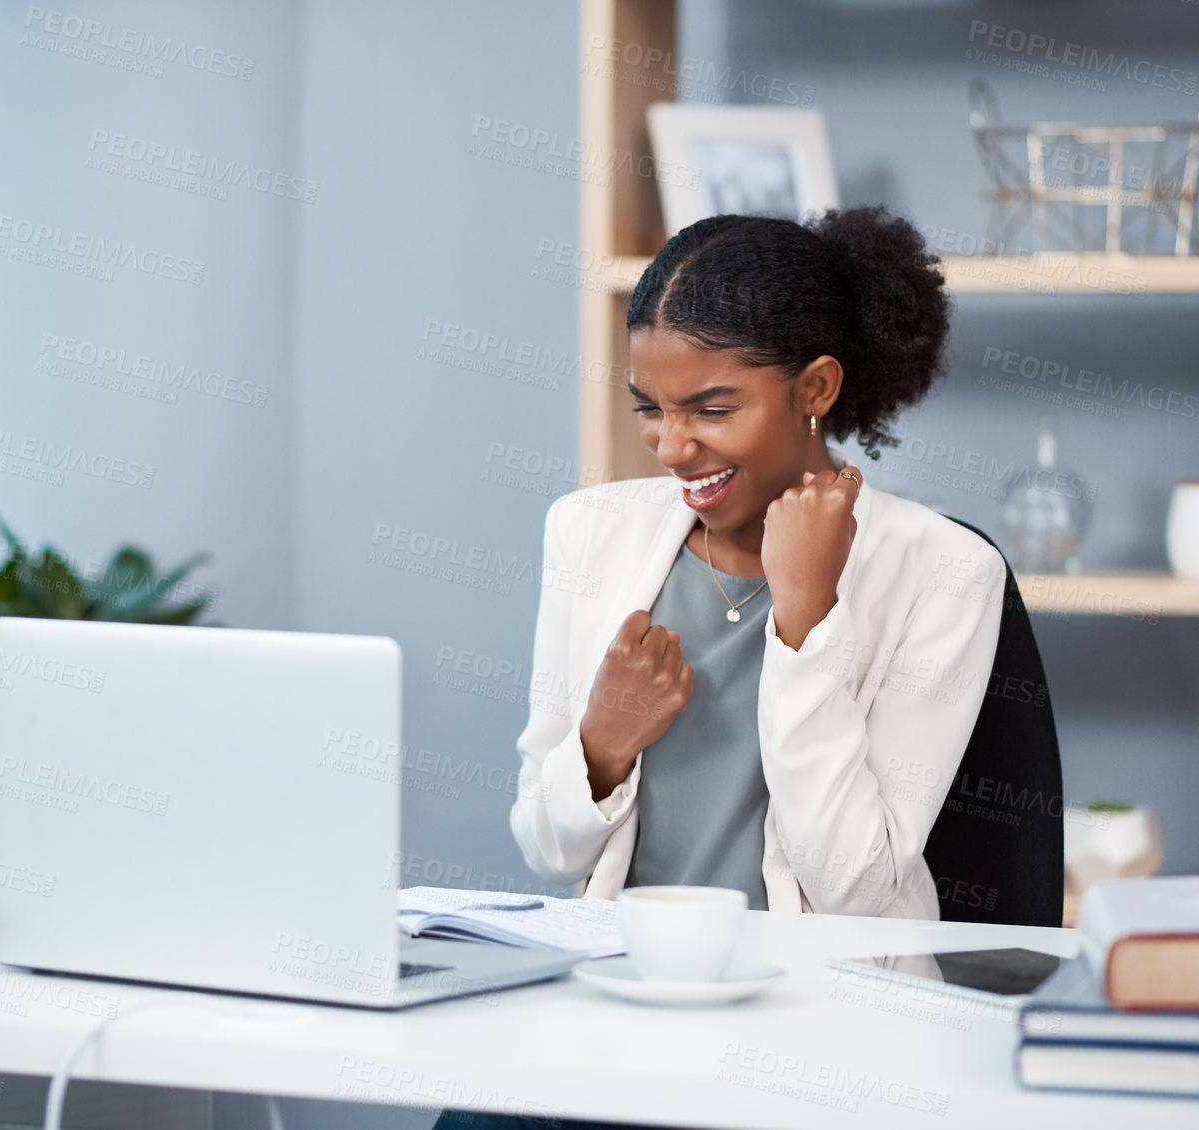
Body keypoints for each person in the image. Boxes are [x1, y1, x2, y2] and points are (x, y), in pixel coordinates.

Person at [430, 207, 1007, 1130]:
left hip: (822, 1024)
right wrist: (601, 745)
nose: (671, 447)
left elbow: (856, 885)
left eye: (711, 409)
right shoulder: (589, 533)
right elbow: (546, 847)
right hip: (623, 1005)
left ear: (814, 386)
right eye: (649, 410)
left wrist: (806, 619)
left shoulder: (941, 572)